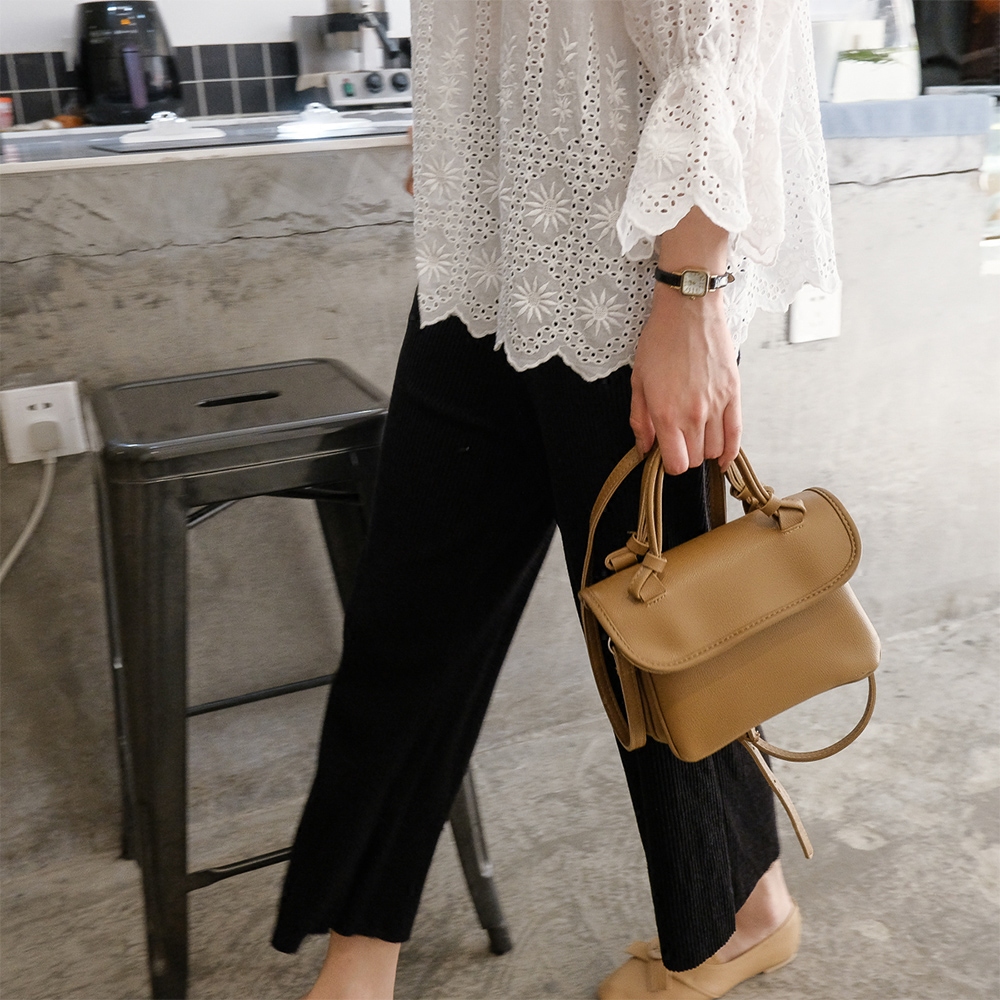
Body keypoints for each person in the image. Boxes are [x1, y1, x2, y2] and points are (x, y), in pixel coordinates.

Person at [272, 1, 838, 998]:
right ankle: (356, 963)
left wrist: (691, 295)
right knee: (409, 618)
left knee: (663, 638)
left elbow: (714, 40)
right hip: (486, 250)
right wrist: (465, 122)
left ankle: (747, 913)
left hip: (633, 276)